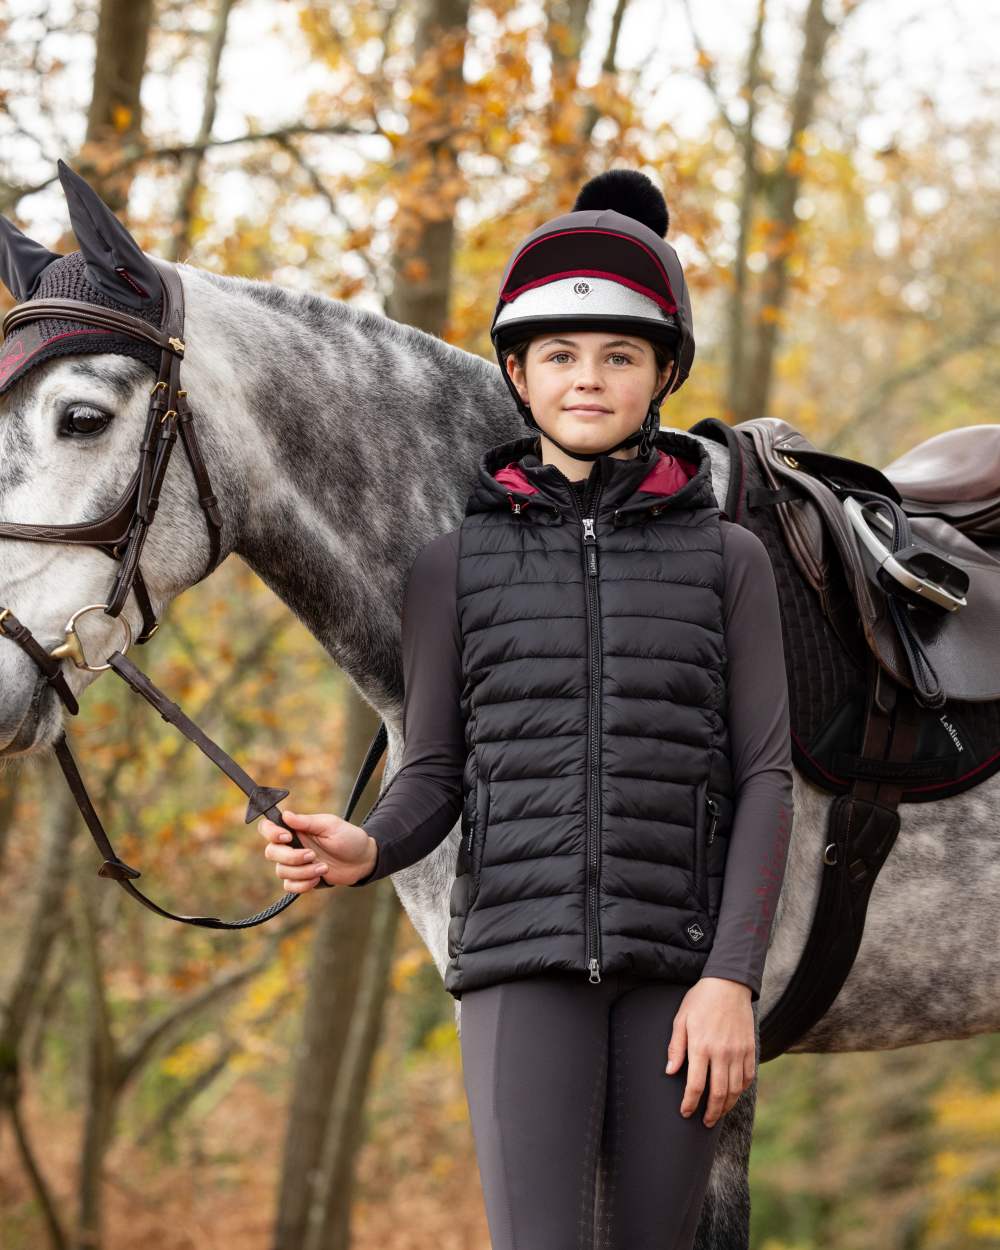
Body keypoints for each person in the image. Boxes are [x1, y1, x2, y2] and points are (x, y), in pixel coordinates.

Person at [258, 169, 794, 1250]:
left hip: (676, 980)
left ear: (660, 374)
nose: (586, 377)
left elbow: (763, 777)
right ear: (517, 371)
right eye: (558, 354)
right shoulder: (449, 568)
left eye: (618, 355)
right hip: (515, 972)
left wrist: (730, 978)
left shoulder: (729, 560)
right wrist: (366, 842)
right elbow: (437, 768)